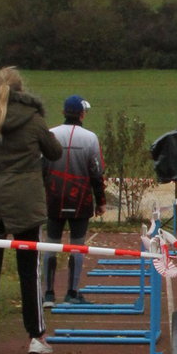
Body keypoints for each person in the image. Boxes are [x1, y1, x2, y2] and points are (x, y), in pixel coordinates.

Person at [0, 67, 62, 354]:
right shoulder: (33, 119)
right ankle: (36, 336)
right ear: (22, 90)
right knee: (29, 269)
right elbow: (54, 151)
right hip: (25, 200)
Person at [43, 94, 105, 304]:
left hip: (53, 199)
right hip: (81, 200)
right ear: (82, 114)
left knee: (51, 245)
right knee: (77, 246)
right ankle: (72, 292)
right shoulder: (90, 138)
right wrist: (101, 200)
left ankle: (48, 293)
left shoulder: (50, 134)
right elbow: (97, 173)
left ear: (63, 112)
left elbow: (41, 168)